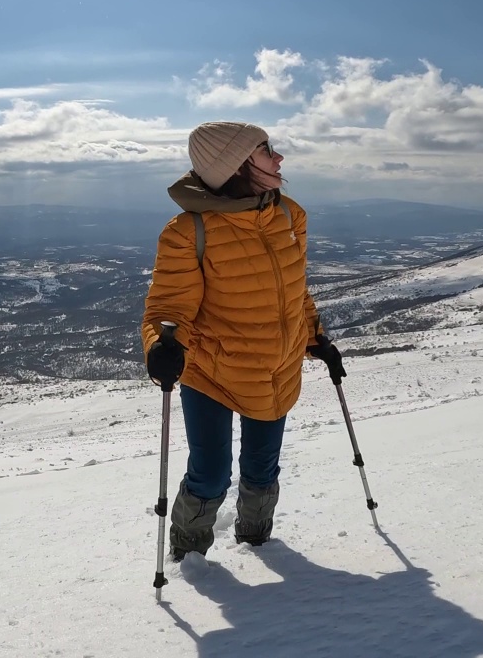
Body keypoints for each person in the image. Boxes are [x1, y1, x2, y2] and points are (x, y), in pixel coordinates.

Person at [141, 120, 346, 561]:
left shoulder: (290, 215)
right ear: (234, 166)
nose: (278, 158)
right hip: (211, 369)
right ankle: (188, 553)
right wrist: (161, 345)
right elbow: (167, 310)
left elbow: (294, 290)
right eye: (265, 150)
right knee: (211, 475)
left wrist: (317, 337)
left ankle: (256, 539)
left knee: (261, 468)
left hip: (276, 368)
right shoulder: (188, 231)